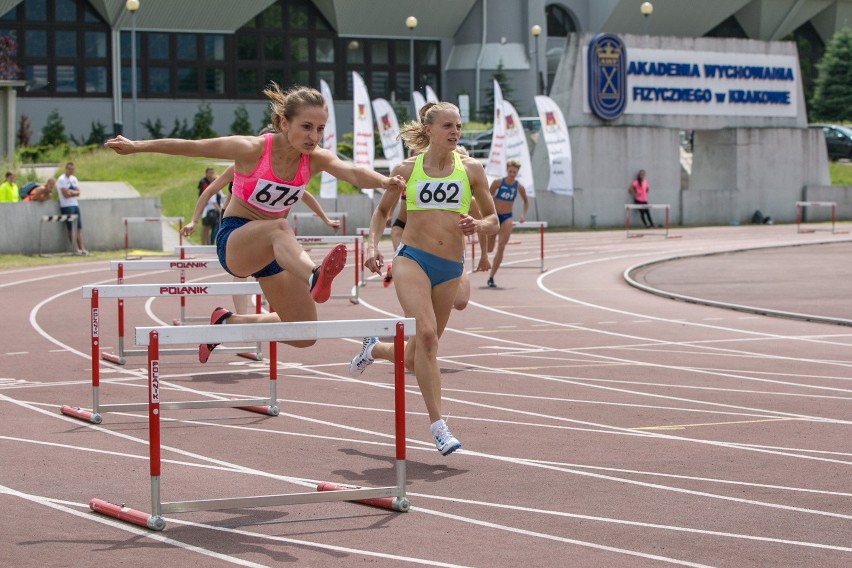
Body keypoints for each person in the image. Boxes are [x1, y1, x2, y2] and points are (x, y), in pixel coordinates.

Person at [106, 82, 405, 362]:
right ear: (283, 124)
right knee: (279, 227)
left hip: (272, 252)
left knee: (304, 333)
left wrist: (385, 181)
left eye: (320, 129)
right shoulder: (252, 149)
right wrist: (136, 146)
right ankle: (315, 275)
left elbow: (351, 172)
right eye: (306, 127)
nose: (313, 136)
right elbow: (193, 146)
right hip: (236, 241)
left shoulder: (314, 158)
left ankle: (227, 322)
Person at [351, 101, 498, 455]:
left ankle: (377, 348)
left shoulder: (472, 169)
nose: (455, 132)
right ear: (428, 130)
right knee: (428, 335)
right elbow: (382, 213)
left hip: (449, 266)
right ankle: (438, 425)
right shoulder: (406, 169)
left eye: (458, 126)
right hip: (412, 259)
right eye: (448, 125)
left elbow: (493, 219)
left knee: (419, 353)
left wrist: (477, 225)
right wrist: (372, 246)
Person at [483, 159, 529, 288]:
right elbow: (486, 195)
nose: (512, 174)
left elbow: (526, 201)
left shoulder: (519, 186)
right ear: (507, 170)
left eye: (515, 172)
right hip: (495, 216)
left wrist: (522, 215)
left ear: (517, 172)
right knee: (490, 248)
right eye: (510, 171)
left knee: (502, 246)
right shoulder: (498, 182)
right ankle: (484, 257)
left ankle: (491, 277)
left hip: (507, 217)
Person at [56, 162, 88, 255]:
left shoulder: (74, 179)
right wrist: (72, 192)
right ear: (66, 169)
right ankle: (75, 248)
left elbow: (78, 192)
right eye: (69, 169)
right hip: (66, 206)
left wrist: (71, 192)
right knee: (70, 228)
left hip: (75, 205)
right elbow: (65, 195)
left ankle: (82, 248)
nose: (71, 171)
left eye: (72, 169)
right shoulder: (61, 180)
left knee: (78, 228)